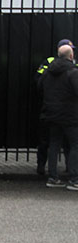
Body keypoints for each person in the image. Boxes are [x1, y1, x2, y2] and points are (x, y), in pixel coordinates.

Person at [38, 44, 78, 190]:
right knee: (75, 145)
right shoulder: (73, 72)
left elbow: (40, 87)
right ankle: (74, 179)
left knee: (54, 145)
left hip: (51, 113)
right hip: (70, 114)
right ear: (71, 56)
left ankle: (53, 177)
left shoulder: (48, 71)